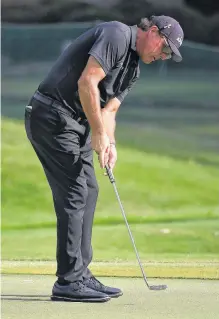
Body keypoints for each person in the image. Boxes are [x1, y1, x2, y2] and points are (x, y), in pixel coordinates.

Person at [25, 15, 184, 303]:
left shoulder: (133, 70)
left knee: (90, 190)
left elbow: (109, 111)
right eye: (164, 48)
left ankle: (81, 274)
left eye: (168, 54)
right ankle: (68, 282)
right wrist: (97, 133)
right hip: (50, 115)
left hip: (75, 124)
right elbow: (88, 81)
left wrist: (109, 143)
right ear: (152, 31)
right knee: (75, 192)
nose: (162, 56)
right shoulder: (117, 35)